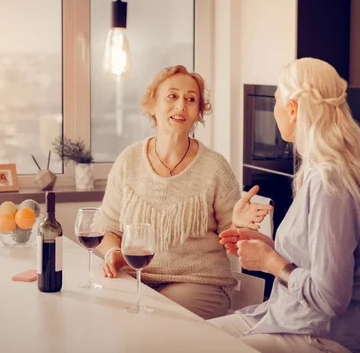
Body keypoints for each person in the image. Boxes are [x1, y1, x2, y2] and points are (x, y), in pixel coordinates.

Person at [213, 58, 360, 353]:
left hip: (322, 337)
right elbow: (316, 259)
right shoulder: (321, 169)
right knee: (191, 335)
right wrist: (268, 247)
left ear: (293, 109)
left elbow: (331, 298)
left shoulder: (330, 182)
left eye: (276, 102)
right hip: (288, 320)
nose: (274, 111)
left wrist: (269, 262)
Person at [97, 65, 272, 320]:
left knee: (150, 323)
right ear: (151, 105)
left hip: (199, 283)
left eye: (191, 99)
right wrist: (114, 254)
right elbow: (107, 228)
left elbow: (232, 238)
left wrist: (239, 225)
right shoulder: (129, 159)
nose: (181, 105)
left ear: (198, 113)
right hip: (136, 277)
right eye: (172, 96)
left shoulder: (215, 167)